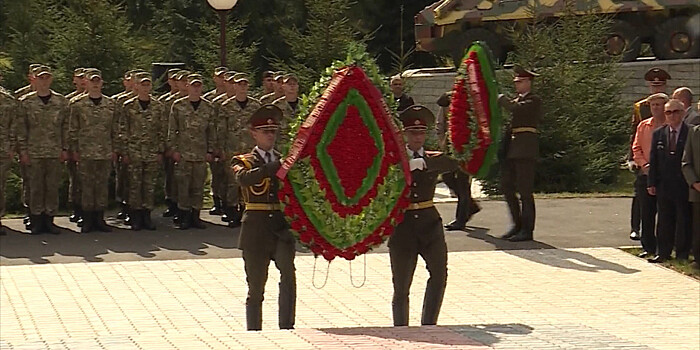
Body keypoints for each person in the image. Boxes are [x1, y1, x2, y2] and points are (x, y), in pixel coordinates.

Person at [389, 105, 460, 326]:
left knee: (439, 276)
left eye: (421, 133)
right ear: (404, 134)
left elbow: (455, 162)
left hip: (430, 225)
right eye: (413, 132)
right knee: (401, 286)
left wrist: (424, 163)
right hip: (403, 226)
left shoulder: (433, 158)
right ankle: (401, 329)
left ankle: (429, 324)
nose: (417, 137)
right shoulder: (393, 159)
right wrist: (405, 166)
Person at [231, 104, 295, 331]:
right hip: (255, 231)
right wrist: (272, 167)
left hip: (280, 228)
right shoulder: (243, 160)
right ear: (254, 134)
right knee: (256, 287)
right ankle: (254, 331)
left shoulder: (284, 159)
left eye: (273, 131)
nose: (270, 136)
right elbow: (244, 179)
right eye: (265, 131)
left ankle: (287, 326)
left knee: (289, 278)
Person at [16, 66, 68, 235]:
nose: (44, 81)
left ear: (51, 79)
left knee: (52, 187)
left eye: (47, 78)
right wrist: (22, 151)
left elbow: (66, 127)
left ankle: (49, 219)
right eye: (41, 78)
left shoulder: (61, 101)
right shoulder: (25, 102)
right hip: (34, 151)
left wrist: (65, 148)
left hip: (54, 150)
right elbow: (21, 129)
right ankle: (36, 219)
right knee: (35, 187)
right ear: (34, 79)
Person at [68, 69, 118, 233]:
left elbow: (115, 130)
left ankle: (100, 218)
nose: (95, 84)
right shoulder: (77, 104)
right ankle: (88, 219)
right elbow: (73, 130)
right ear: (85, 83)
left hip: (104, 151)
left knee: (102, 186)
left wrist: (115, 149)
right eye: (92, 81)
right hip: (85, 152)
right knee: (87, 186)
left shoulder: (111, 104)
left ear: (102, 83)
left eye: (98, 81)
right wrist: (74, 151)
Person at [497, 65, 542, 242]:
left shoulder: (533, 100)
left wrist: (501, 99)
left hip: (525, 148)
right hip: (512, 149)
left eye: (521, 82)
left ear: (529, 82)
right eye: (516, 82)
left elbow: (517, 109)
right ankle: (517, 225)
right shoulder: (517, 100)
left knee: (525, 191)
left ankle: (527, 230)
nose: (517, 85)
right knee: (507, 187)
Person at [167, 73, 215, 230]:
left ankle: (196, 216)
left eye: (198, 85)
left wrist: (210, 150)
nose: (195, 88)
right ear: (187, 86)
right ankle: (184, 216)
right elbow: (172, 129)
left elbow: (211, 131)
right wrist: (173, 149)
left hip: (200, 153)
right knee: (183, 187)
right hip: (184, 153)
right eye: (193, 85)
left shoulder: (208, 107)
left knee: (198, 187)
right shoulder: (178, 105)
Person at [628, 67, 671, 240]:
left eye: (659, 85)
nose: (656, 88)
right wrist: (632, 158)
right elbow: (634, 132)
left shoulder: (670, 105)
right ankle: (635, 227)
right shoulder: (641, 107)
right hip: (644, 159)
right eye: (653, 86)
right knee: (640, 195)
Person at [647, 99, 692, 263]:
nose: (672, 116)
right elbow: (654, 159)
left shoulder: (691, 133)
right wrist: (651, 182)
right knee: (664, 220)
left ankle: (682, 253)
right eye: (668, 112)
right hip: (664, 184)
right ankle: (663, 252)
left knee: (684, 219)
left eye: (676, 112)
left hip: (684, 183)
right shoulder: (659, 133)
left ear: (683, 113)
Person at [120, 72, 164, 231]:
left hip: (152, 151)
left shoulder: (158, 106)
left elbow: (161, 130)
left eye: (148, 85)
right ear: (136, 86)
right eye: (142, 85)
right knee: (134, 185)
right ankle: (135, 216)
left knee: (149, 185)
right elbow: (123, 130)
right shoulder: (128, 106)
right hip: (134, 152)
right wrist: (124, 152)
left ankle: (147, 215)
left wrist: (160, 151)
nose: (145, 88)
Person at [219, 72, 261, 228]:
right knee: (232, 183)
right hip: (232, 150)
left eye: (245, 84)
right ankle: (232, 213)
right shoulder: (226, 106)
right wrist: (221, 149)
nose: (242, 88)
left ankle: (246, 212)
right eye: (239, 84)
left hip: (250, 150)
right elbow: (221, 130)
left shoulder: (256, 106)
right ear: (234, 86)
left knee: (248, 182)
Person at [435, 91, 481, 230]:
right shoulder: (449, 98)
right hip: (450, 146)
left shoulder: (469, 105)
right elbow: (441, 118)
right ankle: (471, 206)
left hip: (465, 147)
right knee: (447, 176)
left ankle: (460, 220)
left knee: (463, 183)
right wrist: (442, 141)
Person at [632, 93, 669, 259]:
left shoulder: (670, 126)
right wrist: (644, 165)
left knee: (664, 213)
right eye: (653, 105)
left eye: (659, 105)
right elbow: (636, 148)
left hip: (665, 176)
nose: (655, 108)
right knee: (646, 213)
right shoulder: (643, 126)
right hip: (645, 173)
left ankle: (664, 248)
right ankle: (648, 247)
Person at [162, 70, 191, 221]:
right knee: (172, 177)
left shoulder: (198, 101)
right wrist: (168, 147)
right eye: (179, 80)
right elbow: (164, 125)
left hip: (191, 148)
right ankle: (172, 204)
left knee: (187, 181)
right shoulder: (168, 101)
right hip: (174, 146)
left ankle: (185, 209)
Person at [209, 70, 238, 217]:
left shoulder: (252, 103)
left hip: (241, 147)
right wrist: (215, 147)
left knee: (232, 179)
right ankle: (219, 202)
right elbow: (213, 125)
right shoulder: (217, 102)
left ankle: (232, 207)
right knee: (220, 176)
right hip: (223, 146)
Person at [65, 68, 87, 224]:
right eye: (80, 78)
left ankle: (88, 212)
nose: (82, 81)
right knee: (76, 180)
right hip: (76, 148)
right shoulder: (69, 101)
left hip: (94, 149)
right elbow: (67, 127)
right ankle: (76, 208)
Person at [682, 121, 700, 270]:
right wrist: (694, 183)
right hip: (698, 189)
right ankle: (698, 259)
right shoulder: (694, 132)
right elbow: (686, 162)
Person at [0, 80, 14, 235]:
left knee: (0, 186)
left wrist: (12, 147)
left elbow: (14, 126)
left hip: (2, 149)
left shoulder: (8, 101)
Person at [272, 74, 300, 146]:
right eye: (289, 84)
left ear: (298, 86)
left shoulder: (305, 105)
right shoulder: (276, 105)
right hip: (281, 146)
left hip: (300, 144)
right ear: (283, 86)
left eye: (294, 84)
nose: (292, 86)